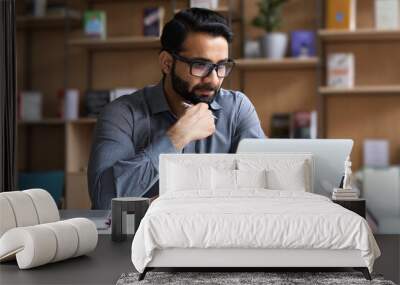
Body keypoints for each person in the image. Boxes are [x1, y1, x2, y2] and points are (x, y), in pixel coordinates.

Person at [88, 8, 265, 209]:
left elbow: (263, 185)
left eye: (221, 66)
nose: (214, 79)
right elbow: (103, 201)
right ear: (166, 63)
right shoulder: (122, 114)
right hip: (143, 239)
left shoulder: (237, 108)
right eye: (200, 65)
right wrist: (176, 138)